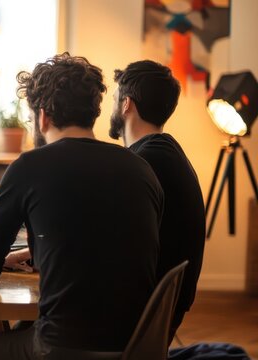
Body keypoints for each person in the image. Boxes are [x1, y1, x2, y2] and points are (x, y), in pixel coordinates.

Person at [0, 53, 164, 359]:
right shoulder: (140, 168)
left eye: (32, 118)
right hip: (135, 347)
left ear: (43, 116)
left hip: (61, 348)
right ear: (92, 113)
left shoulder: (29, 167)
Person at [110, 59, 205, 339]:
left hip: (138, 322)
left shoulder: (146, 162)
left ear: (126, 104)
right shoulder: (163, 153)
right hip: (157, 314)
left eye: (115, 99)